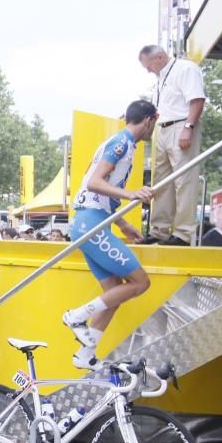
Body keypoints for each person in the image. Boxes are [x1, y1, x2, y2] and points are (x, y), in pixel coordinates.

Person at [63, 100, 156, 370]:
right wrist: (132, 194)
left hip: (90, 222)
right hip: (90, 223)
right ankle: (76, 316)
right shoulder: (122, 143)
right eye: (154, 124)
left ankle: (85, 353)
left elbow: (94, 188)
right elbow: (95, 182)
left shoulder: (122, 144)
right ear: (149, 120)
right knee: (140, 282)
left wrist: (124, 225)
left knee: (115, 292)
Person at [138, 45, 206, 246]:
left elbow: (197, 100)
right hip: (162, 127)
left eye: (148, 65)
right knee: (161, 182)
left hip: (181, 124)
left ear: (159, 57)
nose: (148, 70)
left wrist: (188, 127)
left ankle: (183, 233)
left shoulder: (185, 69)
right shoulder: (161, 78)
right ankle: (159, 230)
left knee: (184, 180)